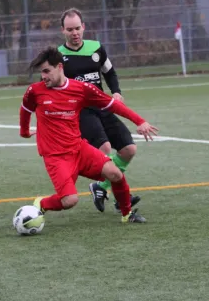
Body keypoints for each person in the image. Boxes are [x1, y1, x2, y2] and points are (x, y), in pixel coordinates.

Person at [19, 46, 159, 223]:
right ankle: (42, 203)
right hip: (56, 157)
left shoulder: (81, 89)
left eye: (47, 71)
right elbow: (25, 110)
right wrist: (24, 132)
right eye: (42, 72)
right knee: (70, 200)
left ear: (60, 67)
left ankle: (127, 214)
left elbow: (112, 105)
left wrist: (139, 121)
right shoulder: (35, 91)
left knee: (115, 173)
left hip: (79, 149)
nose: (43, 76)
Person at [57, 7, 140, 214]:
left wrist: (117, 92)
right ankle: (123, 197)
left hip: (103, 105)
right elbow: (52, 86)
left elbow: (110, 73)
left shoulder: (97, 48)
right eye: (70, 30)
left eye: (77, 28)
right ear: (63, 31)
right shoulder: (58, 56)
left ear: (83, 27)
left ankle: (100, 187)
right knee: (103, 150)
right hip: (81, 112)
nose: (74, 33)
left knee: (129, 149)